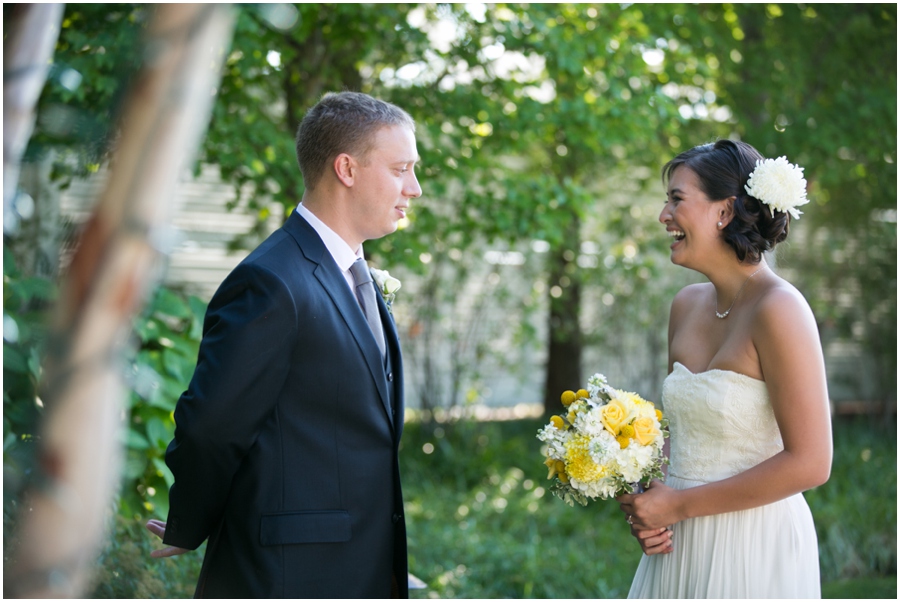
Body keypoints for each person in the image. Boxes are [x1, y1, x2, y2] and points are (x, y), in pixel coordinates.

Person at [145, 91, 422, 598]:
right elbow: (212, 425)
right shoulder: (271, 281)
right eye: (402, 169)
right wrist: (191, 521)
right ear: (346, 169)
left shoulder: (353, 273)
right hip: (289, 575)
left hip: (358, 567)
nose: (415, 188)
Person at [617, 139, 832, 598]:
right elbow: (682, 432)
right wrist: (646, 496)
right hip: (681, 545)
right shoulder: (686, 306)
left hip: (754, 543)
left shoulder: (780, 309)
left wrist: (679, 505)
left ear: (724, 212)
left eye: (676, 199)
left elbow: (812, 462)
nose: (663, 215)